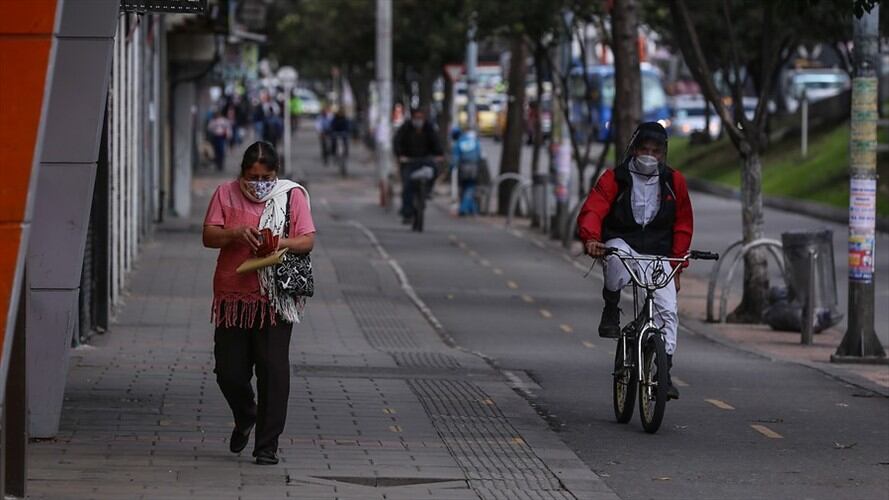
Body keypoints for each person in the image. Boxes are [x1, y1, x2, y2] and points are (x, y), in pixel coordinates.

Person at [202, 141, 315, 465]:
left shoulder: (291, 195)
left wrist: (278, 242)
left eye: (266, 176)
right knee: (229, 371)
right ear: (242, 173)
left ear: (276, 174)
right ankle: (245, 414)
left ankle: (267, 446)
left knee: (273, 371)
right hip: (233, 296)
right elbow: (209, 236)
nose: (259, 183)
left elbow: (307, 241)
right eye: (252, 176)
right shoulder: (225, 193)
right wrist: (236, 233)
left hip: (275, 297)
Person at [576, 122, 693, 400]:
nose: (649, 156)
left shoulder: (674, 182)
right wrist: (592, 239)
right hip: (623, 243)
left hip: (659, 252)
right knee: (615, 257)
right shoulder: (614, 178)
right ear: (633, 148)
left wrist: (678, 265)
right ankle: (611, 305)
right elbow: (593, 209)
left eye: (656, 151)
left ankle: (665, 370)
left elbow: (683, 223)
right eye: (644, 149)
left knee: (668, 310)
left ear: (664, 154)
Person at [393, 108, 443, 224]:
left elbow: (436, 142)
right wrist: (400, 155)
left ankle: (428, 190)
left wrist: (439, 155)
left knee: (434, 170)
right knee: (407, 187)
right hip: (409, 161)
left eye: (421, 118)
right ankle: (407, 213)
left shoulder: (429, 128)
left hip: (425, 160)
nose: (418, 121)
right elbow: (397, 141)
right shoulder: (405, 128)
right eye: (416, 118)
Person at [450, 127, 484, 216]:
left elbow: (455, 158)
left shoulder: (458, 143)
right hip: (474, 167)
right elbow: (479, 154)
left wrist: (452, 168)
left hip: (463, 168)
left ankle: (464, 208)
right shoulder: (473, 141)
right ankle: (473, 209)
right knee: (470, 187)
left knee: (466, 188)